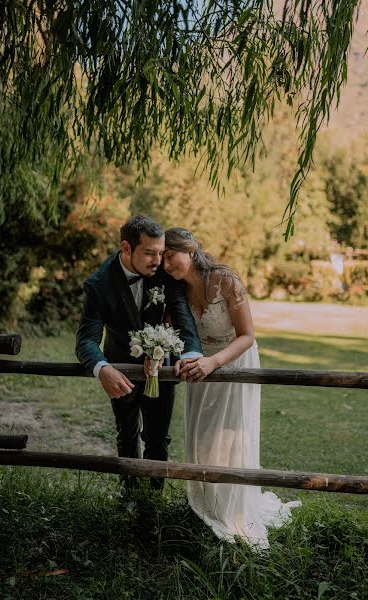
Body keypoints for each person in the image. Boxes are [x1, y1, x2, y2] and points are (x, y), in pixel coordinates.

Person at [162, 227, 301, 547]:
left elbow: (247, 335)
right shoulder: (175, 289)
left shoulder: (226, 280)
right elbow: (176, 331)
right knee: (203, 435)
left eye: (172, 256)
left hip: (234, 361)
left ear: (191, 252)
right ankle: (208, 501)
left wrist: (214, 363)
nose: (167, 264)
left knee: (230, 435)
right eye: (163, 258)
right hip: (199, 367)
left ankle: (234, 506)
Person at [76, 215, 202, 496]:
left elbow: (182, 313)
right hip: (120, 368)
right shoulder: (100, 284)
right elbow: (86, 339)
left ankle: (153, 499)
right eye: (149, 253)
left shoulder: (163, 273)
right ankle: (130, 495)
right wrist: (102, 368)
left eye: (160, 253)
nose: (158, 261)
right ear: (125, 248)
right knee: (127, 434)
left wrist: (192, 352)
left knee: (159, 438)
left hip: (163, 366)